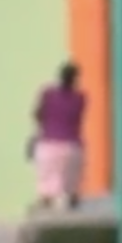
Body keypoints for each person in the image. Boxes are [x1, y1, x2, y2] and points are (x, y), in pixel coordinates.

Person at [30, 65, 85, 211]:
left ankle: (46, 211)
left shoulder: (47, 94)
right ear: (75, 79)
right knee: (70, 189)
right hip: (71, 146)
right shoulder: (80, 98)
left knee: (46, 190)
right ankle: (71, 209)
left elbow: (37, 115)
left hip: (48, 145)